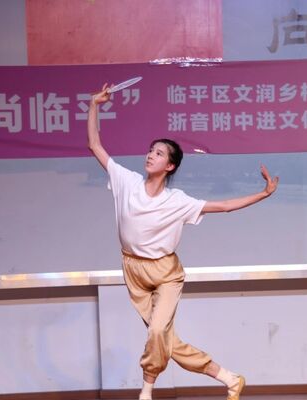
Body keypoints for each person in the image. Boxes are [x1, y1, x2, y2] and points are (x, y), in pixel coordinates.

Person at [88, 84, 279, 400]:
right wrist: (95, 104)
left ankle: (146, 391)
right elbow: (95, 144)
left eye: (159, 153)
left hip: (165, 273)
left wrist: (264, 194)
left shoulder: (177, 200)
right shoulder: (126, 181)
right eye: (151, 150)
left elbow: (224, 206)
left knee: (157, 331)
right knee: (165, 339)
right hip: (133, 269)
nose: (151, 155)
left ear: (170, 166)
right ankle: (230, 378)